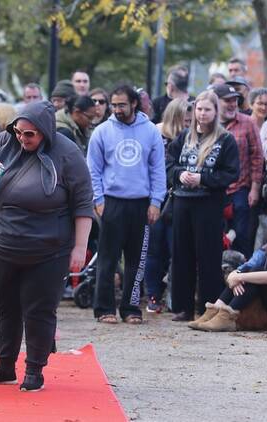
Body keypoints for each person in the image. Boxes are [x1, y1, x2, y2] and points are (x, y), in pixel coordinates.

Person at [0, 100, 92, 392]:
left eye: (30, 134)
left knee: (39, 310)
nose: (22, 138)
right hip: (4, 246)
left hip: (50, 249)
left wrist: (79, 249)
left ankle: (35, 370)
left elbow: (83, 204)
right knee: (7, 308)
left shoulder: (67, 153)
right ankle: (5, 366)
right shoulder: (4, 141)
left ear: (45, 132)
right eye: (19, 132)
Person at [87, 85, 165, 324]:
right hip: (112, 203)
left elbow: (157, 169)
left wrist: (156, 201)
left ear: (134, 104)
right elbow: (93, 169)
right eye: (114, 105)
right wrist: (99, 200)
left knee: (136, 260)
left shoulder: (151, 131)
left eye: (122, 104)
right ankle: (104, 309)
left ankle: (131, 308)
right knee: (107, 260)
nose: (117, 109)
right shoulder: (102, 132)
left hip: (141, 204)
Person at [166, 89, 240, 321]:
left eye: (207, 109)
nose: (202, 113)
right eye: (199, 109)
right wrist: (179, 174)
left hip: (209, 203)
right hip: (182, 202)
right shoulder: (184, 137)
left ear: (216, 111)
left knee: (208, 255)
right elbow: (168, 163)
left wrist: (203, 178)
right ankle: (183, 307)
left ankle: (208, 306)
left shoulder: (225, 139)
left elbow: (231, 172)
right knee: (181, 255)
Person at [188, 207, 267, 331]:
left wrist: (239, 276)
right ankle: (215, 310)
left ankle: (226, 317)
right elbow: (247, 266)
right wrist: (234, 275)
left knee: (258, 278)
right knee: (248, 274)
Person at [144, 98, 191, 312]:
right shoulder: (154, 133)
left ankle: (176, 295)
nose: (191, 124)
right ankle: (153, 294)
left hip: (180, 198)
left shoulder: (193, 139)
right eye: (186, 119)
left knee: (177, 248)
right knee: (154, 248)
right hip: (156, 197)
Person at [215, 84, 263, 258]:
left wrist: (255, 188)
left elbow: (257, 156)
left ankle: (242, 277)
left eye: (234, 100)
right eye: (227, 101)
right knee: (215, 237)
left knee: (242, 237)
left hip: (240, 189)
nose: (232, 104)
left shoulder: (248, 122)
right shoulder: (208, 123)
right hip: (214, 189)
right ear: (216, 102)